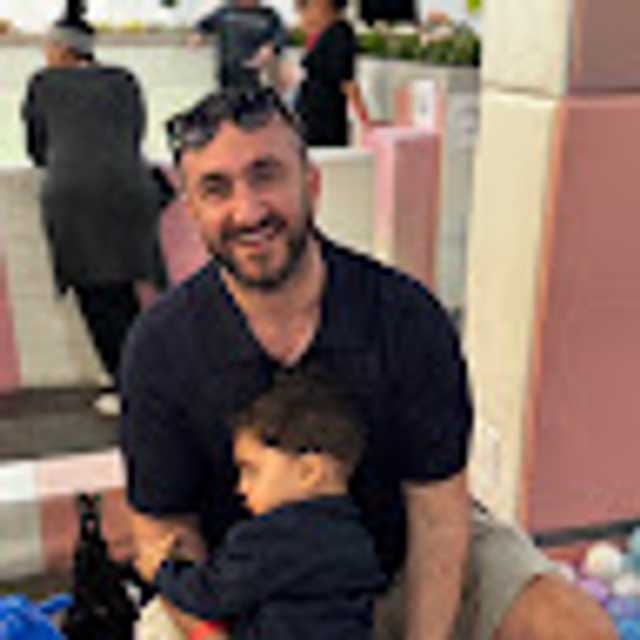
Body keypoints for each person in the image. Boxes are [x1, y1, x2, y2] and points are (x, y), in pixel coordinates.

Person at [120, 87, 616, 640]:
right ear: (191, 210)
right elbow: (161, 531)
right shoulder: (160, 348)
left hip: (404, 562)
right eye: (217, 189)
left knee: (573, 626)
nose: (248, 210)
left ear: (311, 183)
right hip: (245, 591)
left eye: (266, 175)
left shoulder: (405, 317)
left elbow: (437, 515)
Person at [135, 370, 385, 640]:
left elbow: (212, 594)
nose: (241, 487)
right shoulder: (356, 539)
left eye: (251, 470)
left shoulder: (274, 537)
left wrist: (163, 571)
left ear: (309, 472)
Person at [21, 1, 168, 417]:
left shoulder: (44, 84)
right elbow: (135, 133)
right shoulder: (123, 80)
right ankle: (142, 376)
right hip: (130, 191)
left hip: (76, 197)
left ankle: (126, 384)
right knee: (125, 291)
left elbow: (38, 147)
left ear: (61, 49)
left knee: (95, 295)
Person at [293, 0, 370, 146]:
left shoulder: (340, 33)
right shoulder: (322, 30)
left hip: (326, 112)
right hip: (310, 109)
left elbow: (347, 80)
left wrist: (364, 118)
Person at [188, 0, 287, 91]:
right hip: (227, 75)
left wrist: (270, 48)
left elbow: (280, 37)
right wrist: (197, 35)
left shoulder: (269, 15)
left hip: (257, 74)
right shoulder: (224, 12)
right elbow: (202, 26)